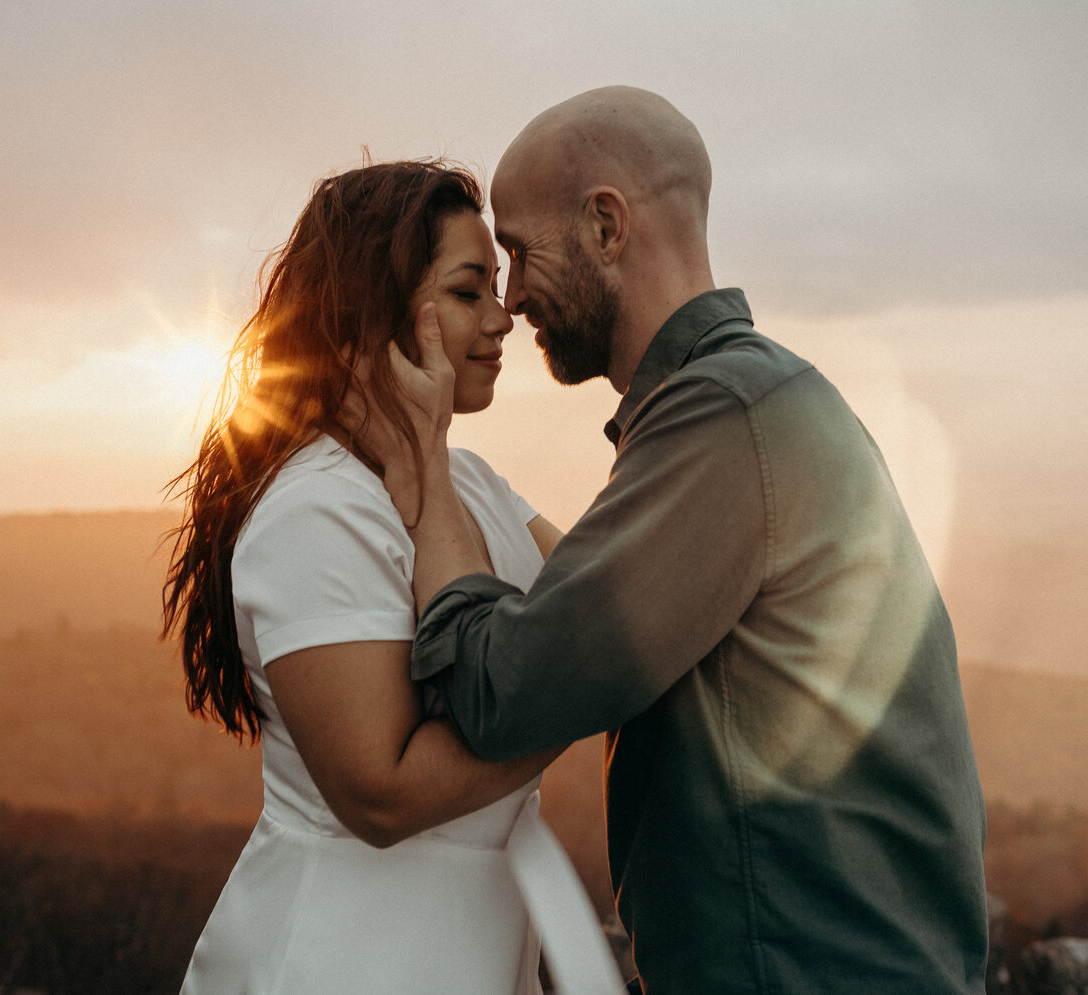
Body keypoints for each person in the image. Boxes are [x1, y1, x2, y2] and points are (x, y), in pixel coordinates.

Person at [357, 88, 990, 994]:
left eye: (523, 253)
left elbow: (501, 692)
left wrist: (426, 465)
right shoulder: (761, 399)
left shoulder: (724, 415)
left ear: (607, 226)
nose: (518, 295)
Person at [163, 160, 621, 995]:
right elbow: (381, 791)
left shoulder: (473, 479)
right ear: (380, 311)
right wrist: (587, 686)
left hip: (476, 945)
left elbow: (608, 591)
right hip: (346, 953)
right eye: (468, 291)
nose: (503, 317)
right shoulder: (316, 509)